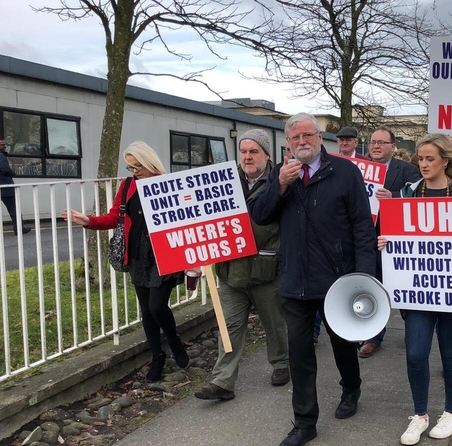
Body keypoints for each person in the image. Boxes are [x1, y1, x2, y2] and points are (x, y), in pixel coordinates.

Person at [251, 113, 376, 446]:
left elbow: (363, 226)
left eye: (307, 135)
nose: (301, 141)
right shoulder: (281, 174)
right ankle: (305, 423)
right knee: (300, 352)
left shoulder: (345, 171)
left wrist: (364, 275)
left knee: (342, 344)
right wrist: (280, 186)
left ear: (320, 138)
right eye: (294, 138)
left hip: (337, 280)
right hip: (295, 279)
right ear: (287, 143)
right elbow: (260, 216)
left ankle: (351, 389)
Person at [377, 133, 452, 445]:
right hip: (418, 292)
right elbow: (395, 230)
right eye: (420, 159)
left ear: (445, 160)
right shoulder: (408, 192)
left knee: (451, 354)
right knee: (415, 353)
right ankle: (420, 415)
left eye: (430, 158)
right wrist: (386, 242)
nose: (423, 164)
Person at [62, 142, 188, 382]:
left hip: (164, 253)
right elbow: (114, 217)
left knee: (157, 306)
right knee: (147, 311)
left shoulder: (168, 183)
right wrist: (88, 220)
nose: (134, 171)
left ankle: (174, 341)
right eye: (130, 167)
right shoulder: (128, 185)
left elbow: (185, 219)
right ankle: (157, 356)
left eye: (137, 166)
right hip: (138, 253)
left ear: (149, 161)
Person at [194, 130, 290, 402]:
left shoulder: (280, 181)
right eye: (244, 151)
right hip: (231, 270)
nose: (248, 157)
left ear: (267, 155)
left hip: (267, 269)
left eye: (254, 151)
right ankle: (223, 381)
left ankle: (281, 363)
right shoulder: (223, 181)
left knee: (275, 324)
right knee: (229, 327)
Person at [359, 126, 421, 359]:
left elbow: (418, 197)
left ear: (393, 147)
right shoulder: (360, 170)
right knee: (374, 287)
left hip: (397, 241)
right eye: (373, 142)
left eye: (381, 142)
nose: (375, 146)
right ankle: (374, 336)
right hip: (367, 238)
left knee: (401, 286)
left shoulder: (407, 170)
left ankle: (414, 330)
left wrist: (393, 196)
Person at [0, 139, 31, 235]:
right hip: (5, 187)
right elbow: (5, 169)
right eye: (2, 145)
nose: (5, 146)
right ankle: (19, 229)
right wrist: (13, 173)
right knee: (14, 209)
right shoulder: (1, 156)